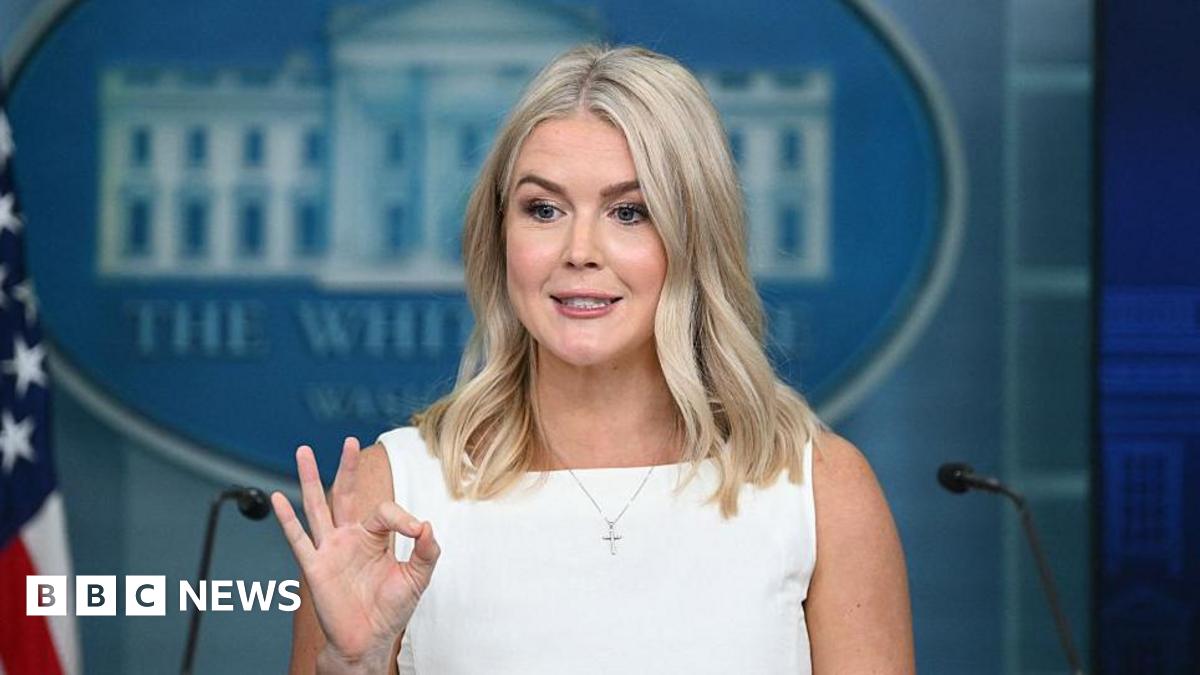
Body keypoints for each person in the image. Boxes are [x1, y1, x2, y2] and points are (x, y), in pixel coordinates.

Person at [271, 43, 915, 674]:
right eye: (543, 209)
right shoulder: (392, 493)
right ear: (500, 238)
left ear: (695, 235)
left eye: (629, 212)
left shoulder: (817, 488)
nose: (579, 250)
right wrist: (350, 665)